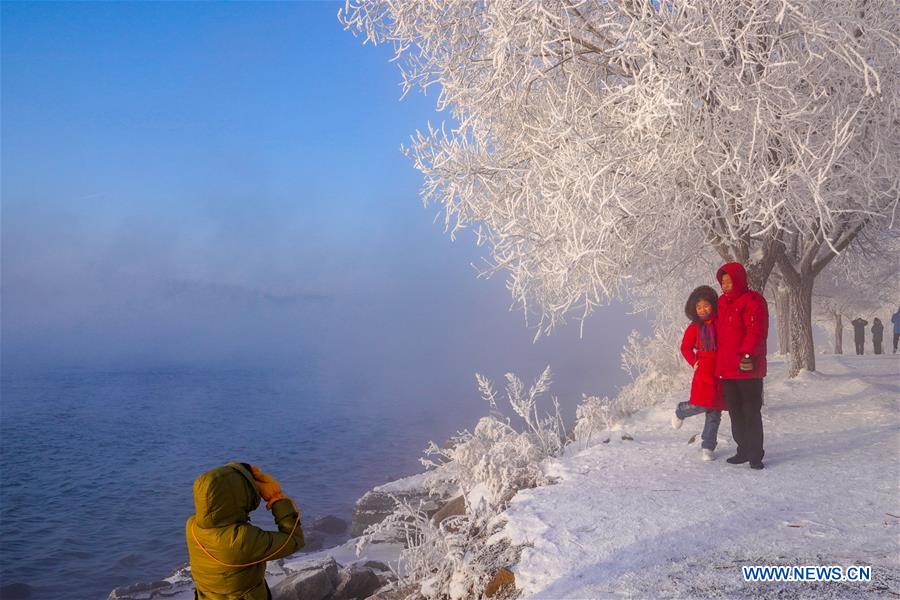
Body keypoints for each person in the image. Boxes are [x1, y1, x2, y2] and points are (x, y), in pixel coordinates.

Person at [186, 462, 305, 599]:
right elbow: (295, 540)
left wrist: (240, 469)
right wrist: (276, 498)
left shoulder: (192, 526)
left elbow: (217, 488)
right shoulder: (241, 538)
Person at [715, 262, 768, 470]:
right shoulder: (721, 302)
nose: (725, 285)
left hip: (748, 368)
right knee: (735, 412)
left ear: (739, 280)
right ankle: (742, 450)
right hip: (727, 369)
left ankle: (756, 455)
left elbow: (756, 331)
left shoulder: (753, 300)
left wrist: (747, 354)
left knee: (751, 411)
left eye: (729, 281)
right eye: (723, 282)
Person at [672, 285, 726, 462]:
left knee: (715, 411)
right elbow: (685, 347)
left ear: (713, 305)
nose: (703, 310)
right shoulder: (695, 327)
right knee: (701, 404)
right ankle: (681, 410)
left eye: (706, 305)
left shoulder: (721, 322)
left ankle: (708, 446)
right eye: (698, 307)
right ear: (694, 309)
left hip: (721, 372)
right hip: (704, 373)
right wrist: (694, 361)